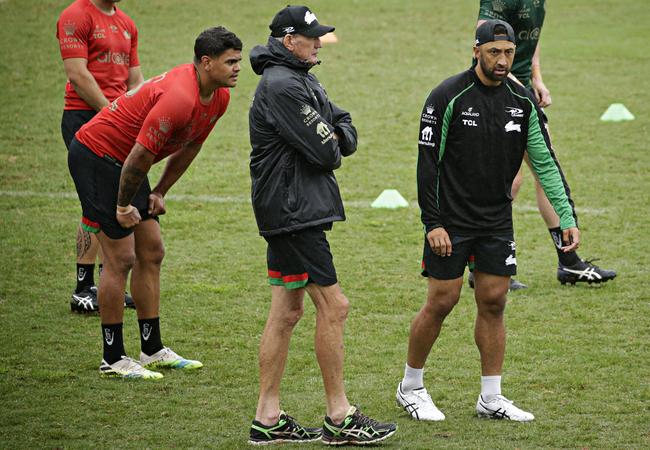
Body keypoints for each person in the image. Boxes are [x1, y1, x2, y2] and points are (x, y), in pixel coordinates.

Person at [396, 19, 580, 422]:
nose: (502, 60)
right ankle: (410, 387)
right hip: (451, 219)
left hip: (496, 220)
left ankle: (491, 397)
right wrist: (433, 223)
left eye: (509, 53)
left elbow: (544, 162)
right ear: (476, 51)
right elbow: (427, 164)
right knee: (442, 301)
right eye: (494, 52)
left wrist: (566, 216)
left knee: (494, 301)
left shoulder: (522, 99)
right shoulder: (447, 96)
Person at [248, 5, 397, 445]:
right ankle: (339, 415)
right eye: (312, 36)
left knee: (287, 311)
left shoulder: (302, 76)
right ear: (288, 40)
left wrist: (334, 132)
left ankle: (267, 418)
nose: (319, 42)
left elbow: (344, 127)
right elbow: (329, 152)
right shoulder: (282, 86)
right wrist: (333, 135)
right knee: (335, 306)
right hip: (294, 215)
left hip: (291, 210)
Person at [67, 26, 242, 379]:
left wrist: (159, 191)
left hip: (130, 162)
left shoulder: (219, 97)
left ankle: (151, 349)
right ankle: (113, 358)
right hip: (97, 156)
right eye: (231, 62)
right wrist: (120, 207)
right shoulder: (180, 96)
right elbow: (139, 156)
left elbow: (190, 146)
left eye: (239, 60)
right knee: (121, 258)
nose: (239, 67)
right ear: (206, 63)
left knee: (152, 250)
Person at [466, 0, 616, 289]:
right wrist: (522, 91)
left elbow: (529, 39)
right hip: (497, 92)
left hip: (521, 90)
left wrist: (536, 78)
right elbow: (486, 46)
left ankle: (568, 261)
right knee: (512, 178)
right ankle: (484, 264)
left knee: (544, 170)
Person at [57, 0, 142, 312]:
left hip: (116, 122)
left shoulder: (128, 23)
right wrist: (113, 114)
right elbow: (77, 75)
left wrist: (135, 114)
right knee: (95, 203)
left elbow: (135, 81)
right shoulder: (75, 15)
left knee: (116, 198)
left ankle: (110, 282)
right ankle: (83, 287)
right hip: (83, 118)